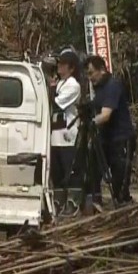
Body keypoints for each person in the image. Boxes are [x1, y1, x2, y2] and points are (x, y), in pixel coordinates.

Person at [85, 55, 135, 206]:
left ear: (102, 70)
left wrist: (92, 122)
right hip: (105, 138)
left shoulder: (113, 85)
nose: (90, 78)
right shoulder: (99, 89)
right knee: (93, 170)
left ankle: (122, 204)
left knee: (119, 181)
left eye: (91, 73)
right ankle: (95, 202)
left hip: (121, 139)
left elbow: (106, 115)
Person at [49, 48, 82, 216]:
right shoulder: (58, 82)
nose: (59, 67)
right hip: (55, 133)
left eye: (63, 64)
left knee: (71, 169)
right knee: (57, 170)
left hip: (68, 134)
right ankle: (58, 201)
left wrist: (49, 90)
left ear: (71, 68)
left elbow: (56, 103)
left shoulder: (73, 85)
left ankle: (73, 202)